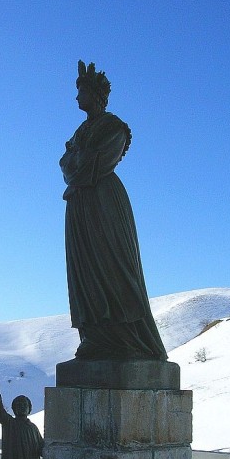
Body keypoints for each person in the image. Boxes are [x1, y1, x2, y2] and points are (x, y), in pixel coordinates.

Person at [59, 60, 167, 361]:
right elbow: (65, 167)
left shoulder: (114, 127)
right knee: (86, 271)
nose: (76, 98)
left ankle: (127, 338)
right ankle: (95, 336)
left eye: (80, 92)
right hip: (80, 206)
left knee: (112, 266)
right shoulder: (81, 131)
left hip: (104, 203)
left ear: (95, 95)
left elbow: (95, 164)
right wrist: (79, 161)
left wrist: (78, 161)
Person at [0, 381, 44, 459]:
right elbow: (0, 412)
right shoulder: (10, 423)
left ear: (29, 408)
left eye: (24, 405)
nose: (22, 407)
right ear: (14, 409)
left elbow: (41, 446)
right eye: (19, 405)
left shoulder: (33, 428)